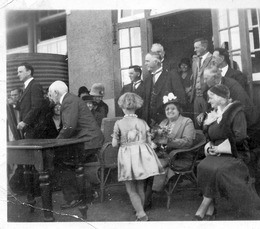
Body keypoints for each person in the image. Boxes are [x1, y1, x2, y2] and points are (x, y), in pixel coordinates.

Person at [194, 85, 260, 220]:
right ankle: (211, 207)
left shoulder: (236, 112)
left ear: (222, 98)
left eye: (211, 97)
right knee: (202, 166)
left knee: (216, 169)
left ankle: (204, 207)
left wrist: (221, 148)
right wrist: (211, 146)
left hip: (236, 152)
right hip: (218, 153)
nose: (208, 101)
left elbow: (240, 136)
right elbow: (211, 135)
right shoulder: (215, 113)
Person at [48, 80, 104, 209]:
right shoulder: (71, 99)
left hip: (89, 141)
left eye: (50, 94)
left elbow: (69, 127)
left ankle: (75, 198)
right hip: (89, 140)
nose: (50, 97)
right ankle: (88, 193)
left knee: (61, 162)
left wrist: (56, 143)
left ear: (56, 92)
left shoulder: (68, 101)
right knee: (66, 163)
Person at [112, 92, 164, 221]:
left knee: (130, 188)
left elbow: (114, 144)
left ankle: (141, 215)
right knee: (140, 186)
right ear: (137, 106)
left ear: (122, 107)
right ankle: (140, 212)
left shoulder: (119, 123)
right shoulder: (142, 122)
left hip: (127, 157)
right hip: (142, 156)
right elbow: (149, 142)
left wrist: (117, 140)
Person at [201, 65, 260, 151]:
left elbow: (242, 108)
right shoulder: (210, 87)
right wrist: (204, 115)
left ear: (215, 78)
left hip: (246, 124)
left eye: (206, 78)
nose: (204, 81)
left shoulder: (233, 86)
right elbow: (211, 106)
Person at [151, 92, 195, 192]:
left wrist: (168, 141)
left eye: (173, 109)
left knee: (154, 164)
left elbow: (188, 142)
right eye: (167, 109)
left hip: (179, 156)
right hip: (163, 154)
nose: (170, 111)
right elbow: (157, 139)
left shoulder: (187, 121)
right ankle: (147, 190)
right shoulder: (163, 122)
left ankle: (153, 189)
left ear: (179, 110)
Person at [141, 52, 186, 126]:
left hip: (168, 122)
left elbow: (181, 99)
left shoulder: (171, 75)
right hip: (149, 123)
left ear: (156, 62)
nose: (145, 63)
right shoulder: (147, 80)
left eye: (147, 61)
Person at [15, 62, 45, 138]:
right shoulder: (27, 86)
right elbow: (24, 105)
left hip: (34, 128)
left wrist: (25, 122)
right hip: (29, 128)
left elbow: (37, 107)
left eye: (20, 72)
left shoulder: (35, 85)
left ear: (29, 72)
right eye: (18, 72)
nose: (18, 74)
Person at [189, 38, 213, 128]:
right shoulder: (195, 61)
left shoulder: (212, 59)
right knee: (197, 123)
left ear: (204, 47)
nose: (194, 50)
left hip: (207, 96)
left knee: (207, 122)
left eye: (197, 48)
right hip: (196, 97)